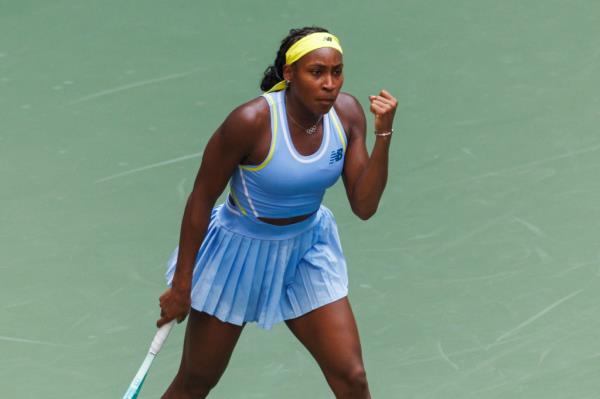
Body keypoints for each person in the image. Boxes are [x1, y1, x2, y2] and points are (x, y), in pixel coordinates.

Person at [157, 26, 397, 399]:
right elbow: (202, 198)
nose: (330, 83)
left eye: (337, 71)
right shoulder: (250, 122)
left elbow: (364, 206)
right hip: (237, 256)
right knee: (195, 383)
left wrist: (383, 136)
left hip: (306, 251)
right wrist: (182, 284)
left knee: (353, 377)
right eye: (316, 72)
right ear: (289, 74)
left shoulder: (347, 114)